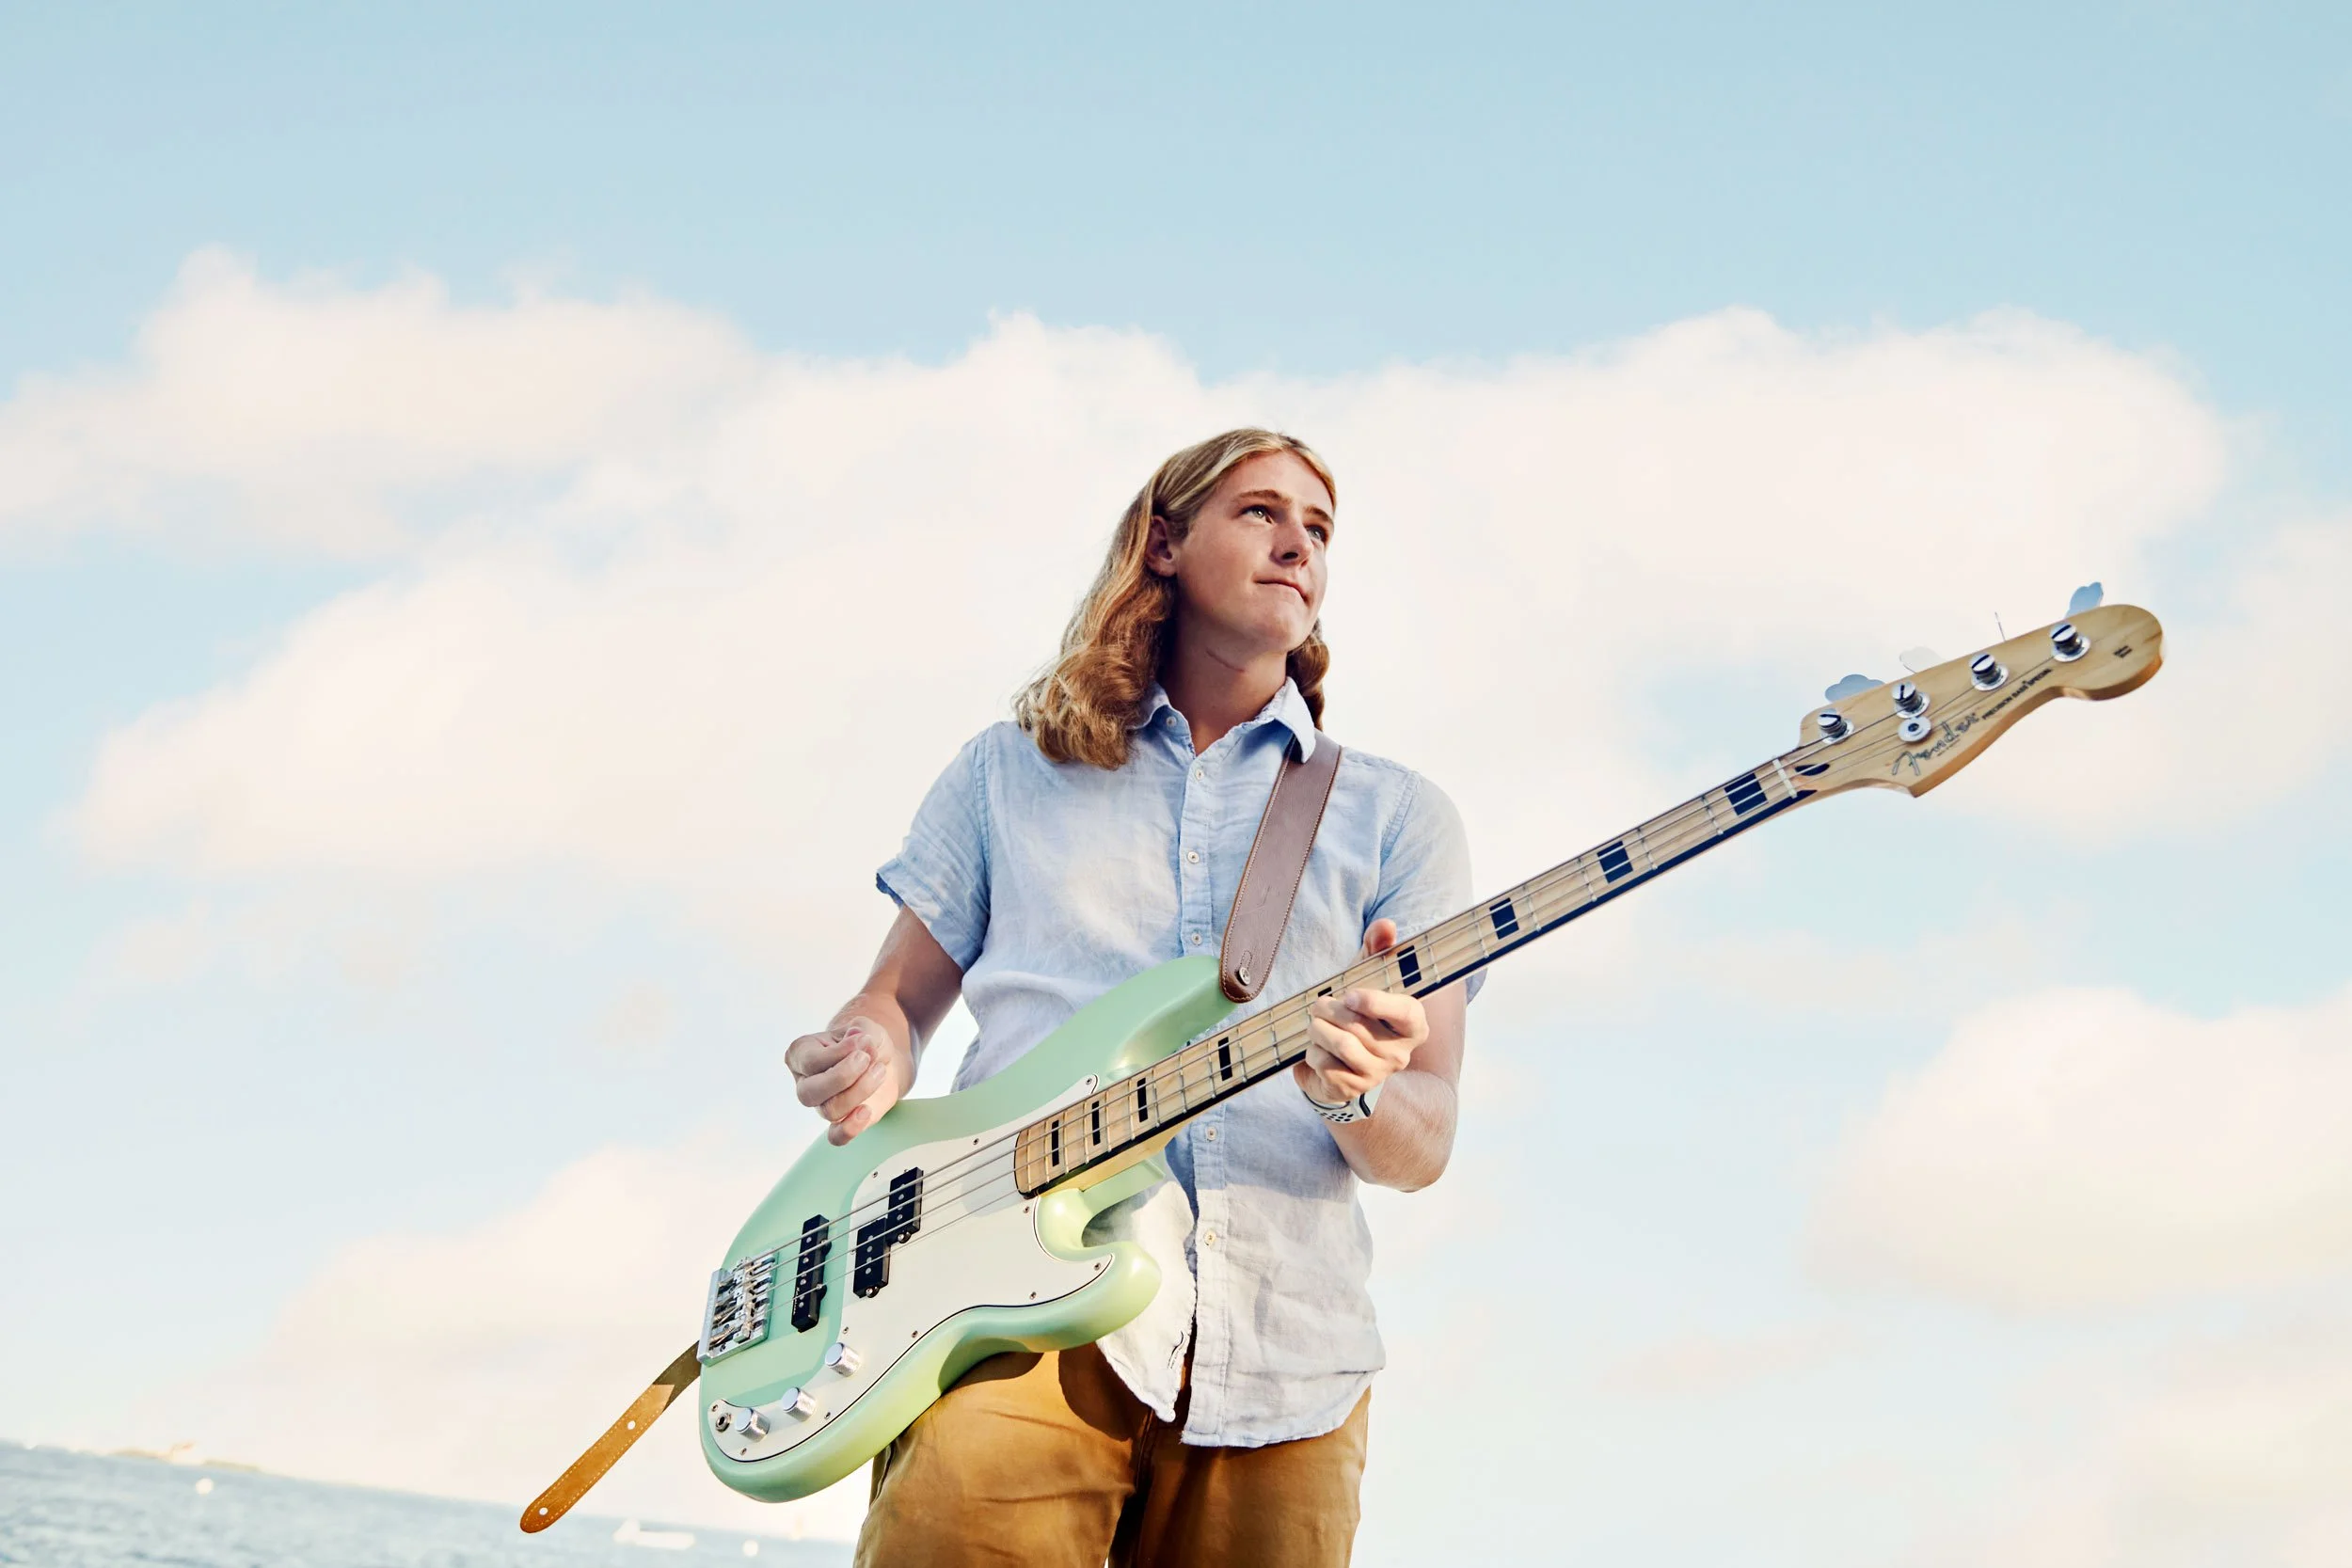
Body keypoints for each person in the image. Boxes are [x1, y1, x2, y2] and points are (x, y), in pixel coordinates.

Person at [785, 428, 1477, 1567]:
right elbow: (893, 1004)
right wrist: (866, 1047)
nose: (1298, 543)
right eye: (1260, 511)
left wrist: (1357, 1094)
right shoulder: (1008, 771)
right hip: (1007, 1317)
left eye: (1320, 528)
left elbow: (1426, 1139)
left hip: (1285, 1362)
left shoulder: (1400, 821)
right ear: (1162, 542)